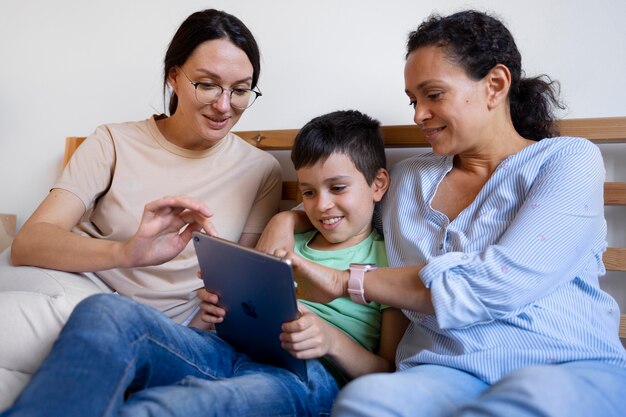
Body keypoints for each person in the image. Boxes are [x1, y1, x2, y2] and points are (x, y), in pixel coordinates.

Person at [259, 10, 626, 417]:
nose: (417, 115)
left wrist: (345, 281)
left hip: (562, 363)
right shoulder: (407, 180)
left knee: (526, 400)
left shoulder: (567, 161)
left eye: (433, 95)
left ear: (496, 85)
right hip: (443, 371)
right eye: (413, 100)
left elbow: (499, 283)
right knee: (365, 403)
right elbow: (335, 209)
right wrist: (283, 221)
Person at [1, 110, 409, 417]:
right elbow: (235, 308)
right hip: (221, 350)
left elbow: (389, 371)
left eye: (337, 188)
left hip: (302, 378)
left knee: (184, 404)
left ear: (378, 184)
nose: (322, 205)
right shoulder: (287, 237)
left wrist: (330, 340)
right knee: (104, 311)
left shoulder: (389, 260)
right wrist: (213, 312)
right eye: (307, 191)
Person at [0, 9, 282, 409]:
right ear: (173, 77)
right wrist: (127, 252)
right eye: (207, 85)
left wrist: (291, 218)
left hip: (161, 330)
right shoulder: (113, 141)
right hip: (74, 288)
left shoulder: (260, 171)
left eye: (240, 90)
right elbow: (29, 243)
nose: (224, 105)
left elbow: (239, 283)